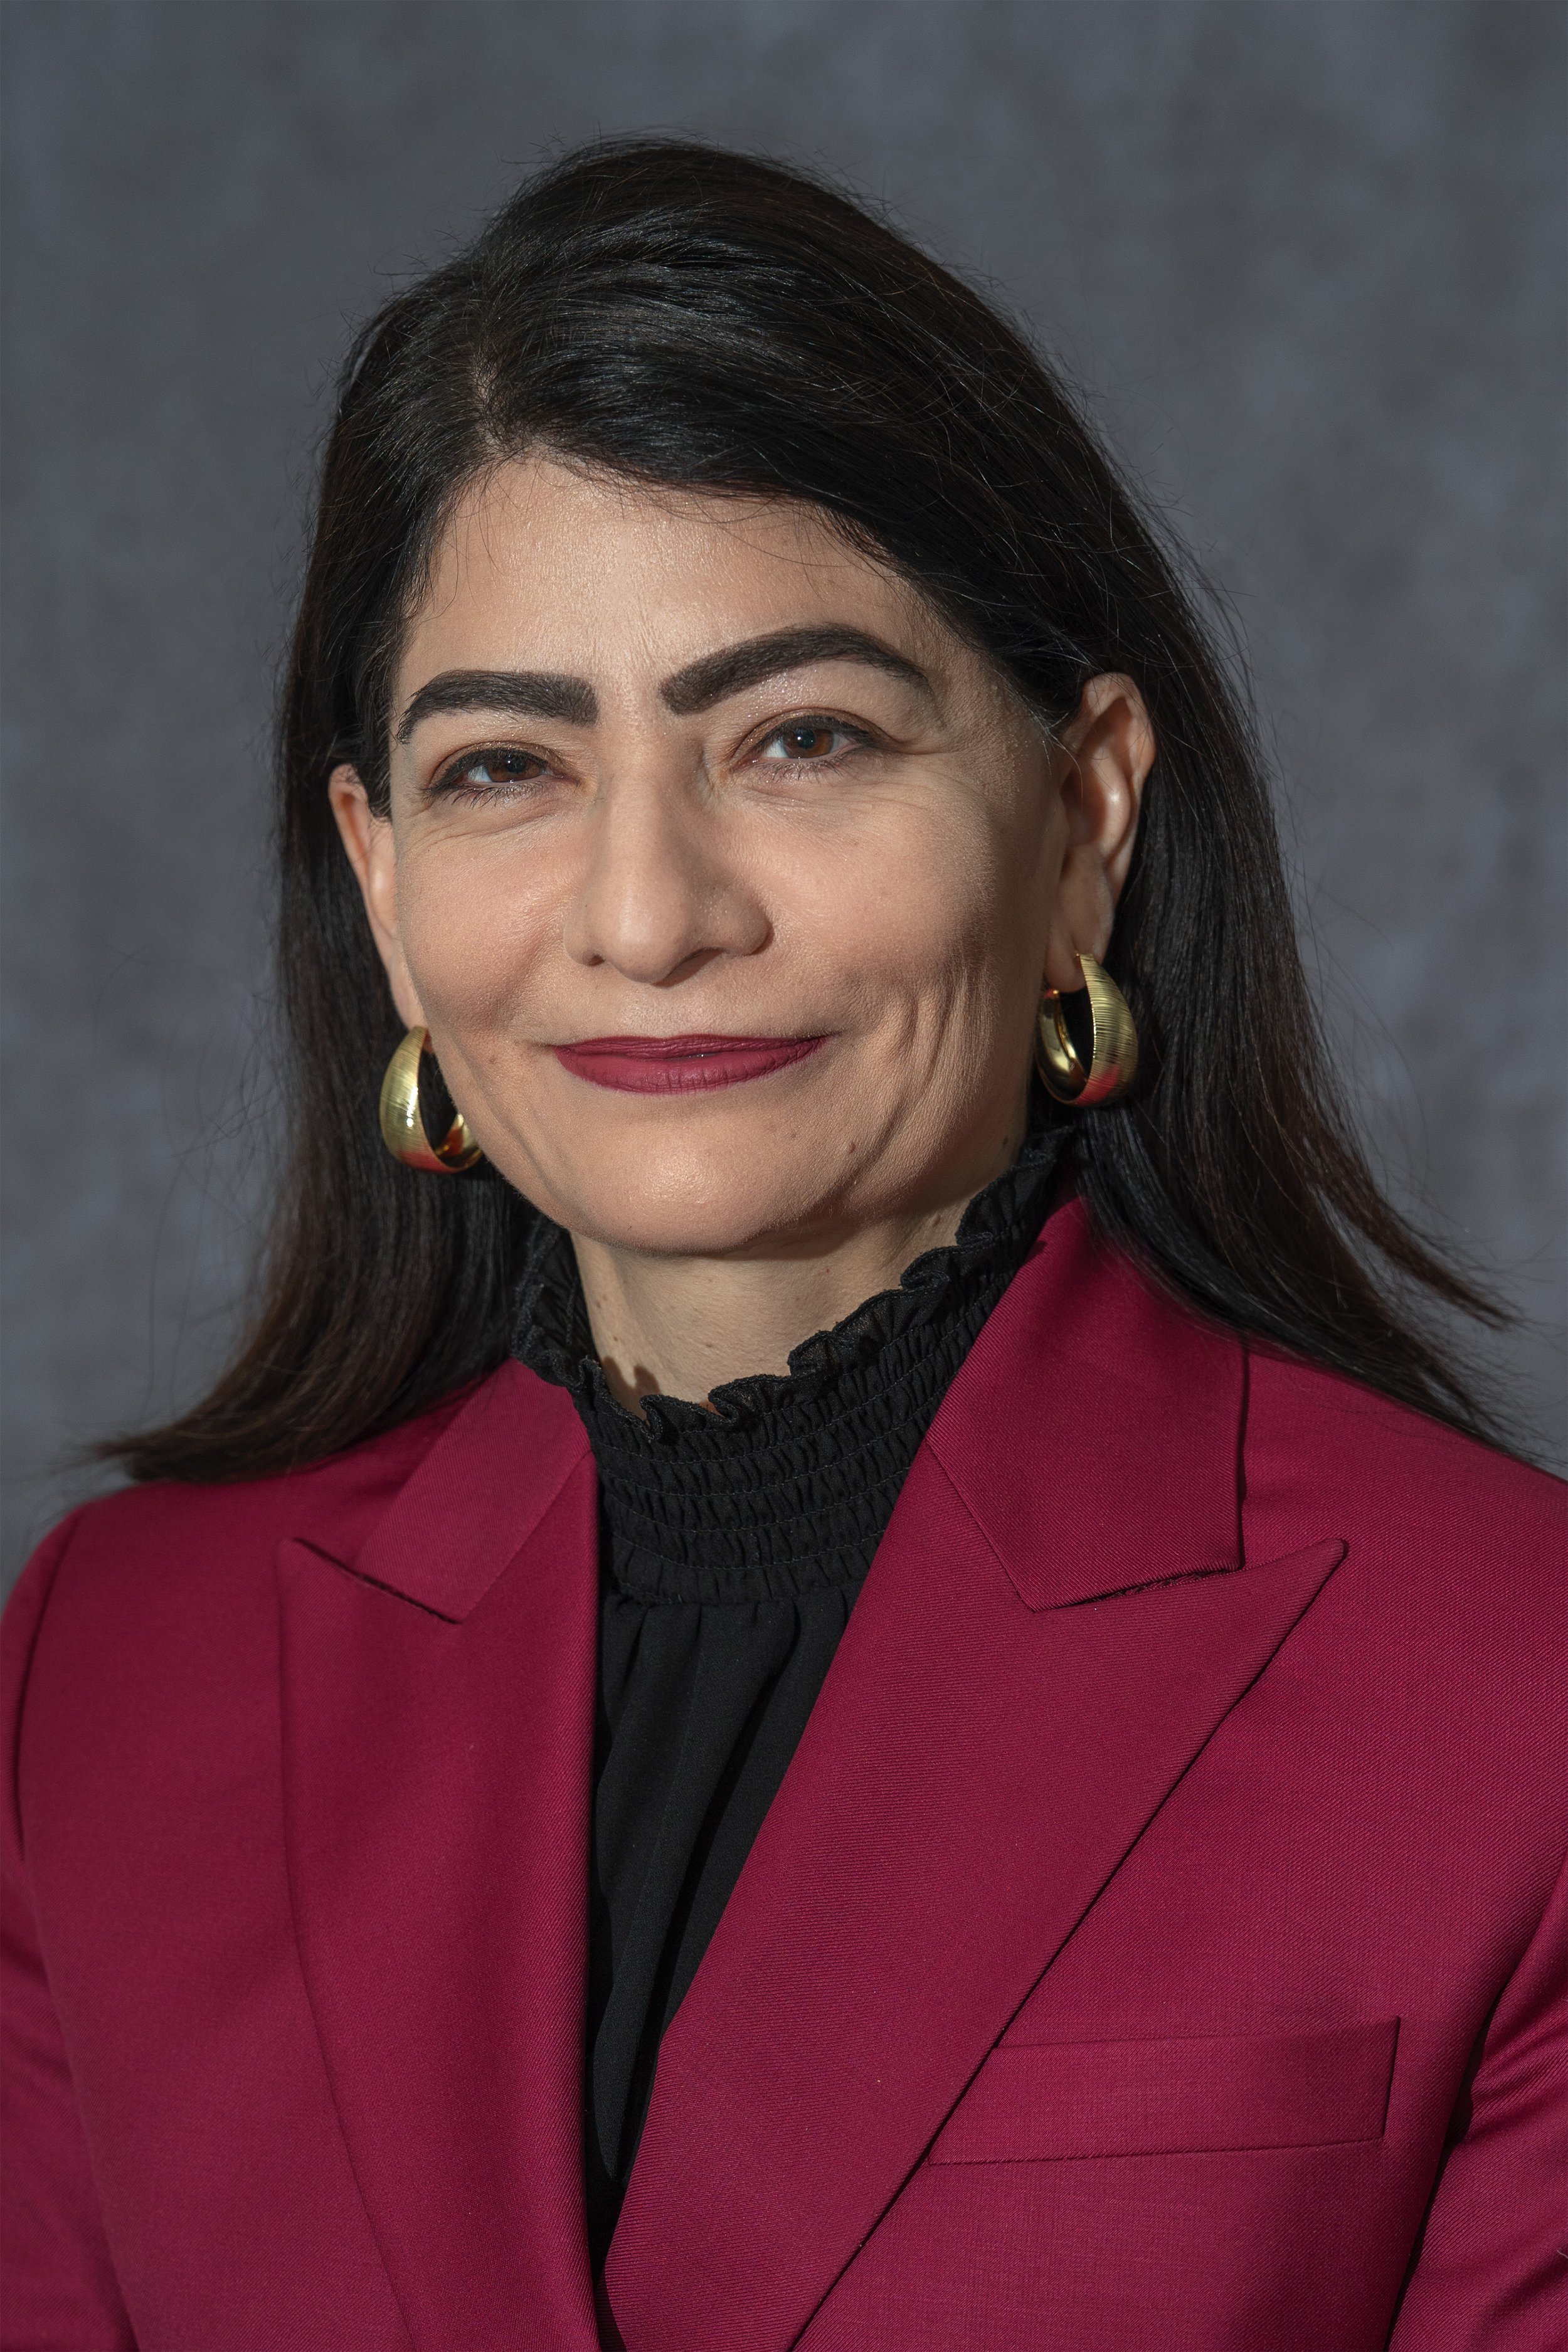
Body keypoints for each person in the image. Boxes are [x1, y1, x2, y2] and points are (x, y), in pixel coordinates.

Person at [2, 139, 1562, 2352]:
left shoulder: (1512, 1697)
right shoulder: (111, 1677)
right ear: (376, 881)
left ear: (1081, 817)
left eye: (799, 738)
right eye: (501, 771)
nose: (649, 915)